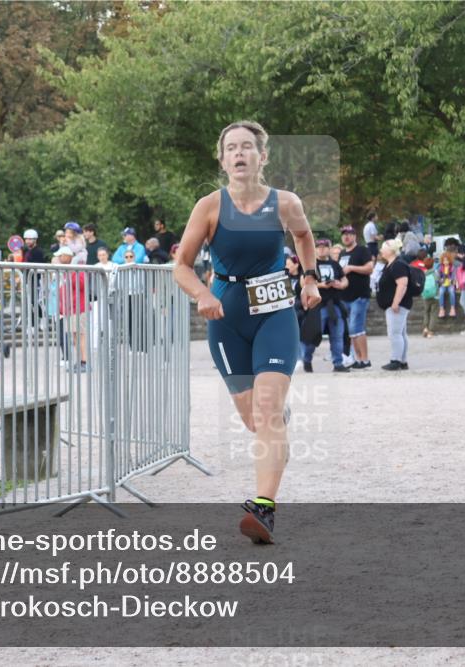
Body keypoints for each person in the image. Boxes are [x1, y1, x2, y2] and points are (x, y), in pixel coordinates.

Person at [173, 120, 320, 545]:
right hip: (227, 320)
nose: (239, 153)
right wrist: (202, 293)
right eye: (231, 148)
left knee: (267, 409)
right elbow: (181, 265)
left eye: (247, 147)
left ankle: (264, 508)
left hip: (275, 313)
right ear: (222, 160)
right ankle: (275, 419)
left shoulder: (285, 203)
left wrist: (309, 278)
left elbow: (304, 236)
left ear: (262, 156)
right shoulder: (209, 207)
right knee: (256, 419)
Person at [301, 239, 349, 373]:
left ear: (329, 248)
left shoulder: (335, 264)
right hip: (318, 305)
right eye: (319, 247)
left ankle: (338, 363)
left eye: (324, 247)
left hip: (335, 304)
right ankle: (307, 359)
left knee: (337, 335)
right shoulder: (311, 265)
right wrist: (321, 285)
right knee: (314, 335)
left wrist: (340, 284)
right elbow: (302, 283)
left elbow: (345, 280)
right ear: (315, 249)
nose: (321, 249)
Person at [338, 225, 373, 368]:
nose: (346, 236)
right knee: (351, 330)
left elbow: (370, 268)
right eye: (344, 234)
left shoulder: (362, 250)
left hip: (359, 296)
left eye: (349, 234)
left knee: (356, 328)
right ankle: (358, 359)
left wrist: (352, 268)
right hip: (344, 297)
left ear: (355, 236)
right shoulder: (341, 253)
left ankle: (365, 360)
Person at [376, 238, 412, 371]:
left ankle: (396, 360)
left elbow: (402, 284)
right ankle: (402, 361)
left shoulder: (398, 265)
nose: (381, 250)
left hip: (397, 305)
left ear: (390, 250)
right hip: (394, 304)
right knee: (400, 333)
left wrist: (395, 303)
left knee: (394, 333)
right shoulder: (391, 264)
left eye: (383, 248)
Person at [435, 251, 457, 318]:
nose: (445, 262)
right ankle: (441, 309)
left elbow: (454, 276)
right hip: (443, 284)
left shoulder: (452, 267)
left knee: (452, 292)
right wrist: (440, 280)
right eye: (444, 260)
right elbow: (437, 277)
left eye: (447, 260)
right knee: (441, 292)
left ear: (449, 260)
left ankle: (452, 308)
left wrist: (452, 280)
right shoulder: (440, 267)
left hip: (450, 283)